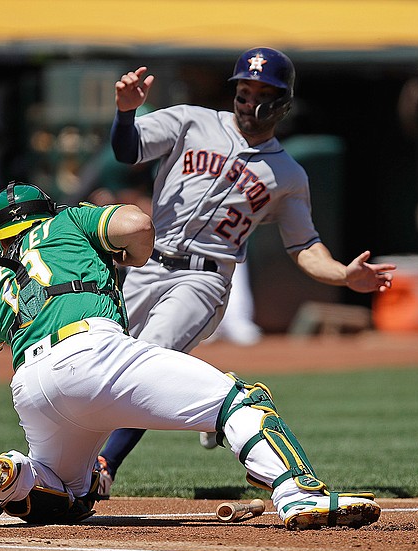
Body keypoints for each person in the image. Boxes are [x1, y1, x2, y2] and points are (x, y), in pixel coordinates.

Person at [0, 180, 381, 532]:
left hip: (31, 385)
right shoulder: (68, 220)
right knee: (238, 401)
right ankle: (297, 494)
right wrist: (131, 257)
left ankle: (20, 473)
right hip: (90, 352)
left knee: (73, 495)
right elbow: (138, 224)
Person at [96, 48, 396, 498]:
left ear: (282, 103)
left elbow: (304, 244)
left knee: (149, 355)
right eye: (243, 89)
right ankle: (215, 406)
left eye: (261, 92)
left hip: (203, 279)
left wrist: (340, 274)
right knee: (99, 361)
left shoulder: (287, 174)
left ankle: (105, 465)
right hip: (146, 263)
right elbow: (128, 149)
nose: (248, 99)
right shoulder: (191, 120)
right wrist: (125, 111)